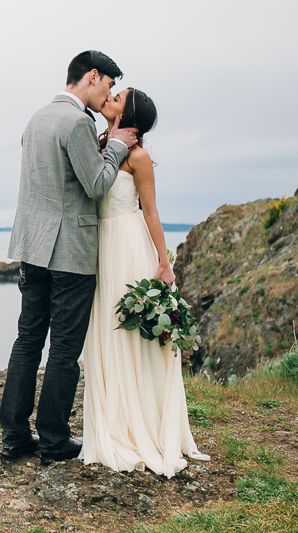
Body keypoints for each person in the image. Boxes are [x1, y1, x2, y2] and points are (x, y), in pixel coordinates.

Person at [0, 50, 139, 464]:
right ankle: (55, 441)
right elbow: (96, 185)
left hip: (32, 247)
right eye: (110, 86)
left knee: (28, 340)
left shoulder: (37, 117)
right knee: (63, 349)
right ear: (93, 76)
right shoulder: (78, 122)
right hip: (71, 252)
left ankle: (13, 436)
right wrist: (114, 147)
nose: (108, 94)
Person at [80, 87, 210, 477]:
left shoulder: (139, 156)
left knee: (129, 334)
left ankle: (143, 425)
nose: (108, 98)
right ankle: (111, 421)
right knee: (104, 329)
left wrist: (164, 263)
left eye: (117, 97)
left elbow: (152, 212)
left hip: (129, 245)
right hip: (100, 245)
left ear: (130, 114)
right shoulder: (99, 144)